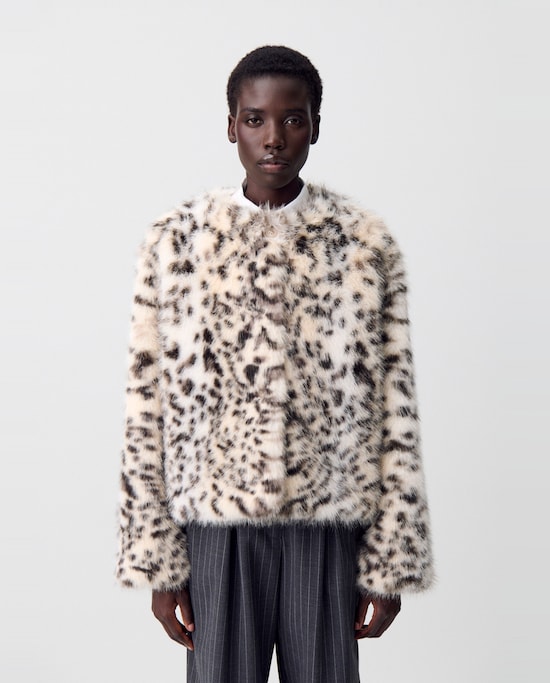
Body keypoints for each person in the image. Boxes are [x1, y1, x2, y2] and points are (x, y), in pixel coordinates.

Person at [116, 45, 435, 683]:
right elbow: (146, 407)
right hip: (215, 527)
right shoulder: (178, 242)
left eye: (293, 119)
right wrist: (157, 559)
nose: (274, 138)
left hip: (327, 523)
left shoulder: (362, 245)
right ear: (231, 125)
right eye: (255, 119)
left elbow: (395, 411)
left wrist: (389, 560)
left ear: (315, 126)